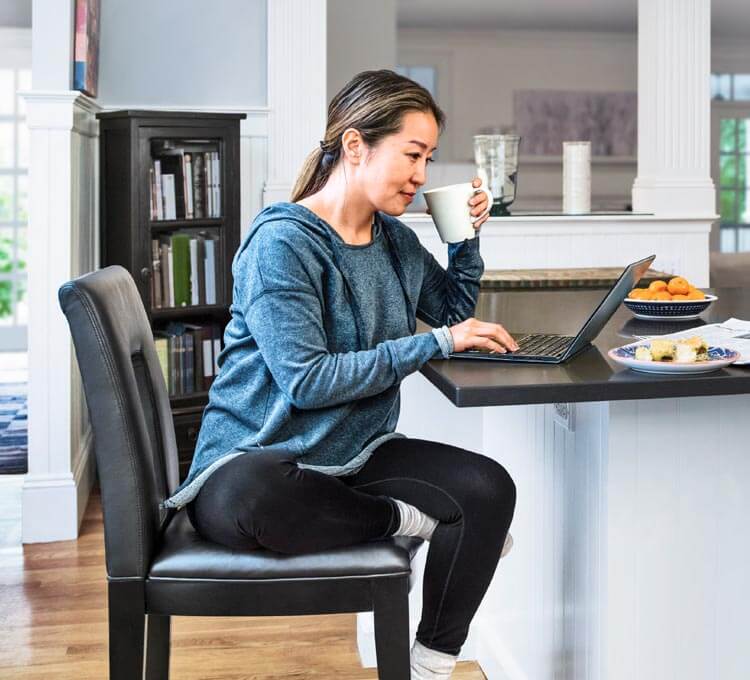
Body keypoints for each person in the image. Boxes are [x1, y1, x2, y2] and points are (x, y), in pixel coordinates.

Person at [163, 69, 517, 680]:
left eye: (429, 158)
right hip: (252, 465)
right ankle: (406, 520)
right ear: (355, 146)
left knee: (490, 491)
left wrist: (464, 238)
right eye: (412, 155)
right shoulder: (283, 242)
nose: (422, 175)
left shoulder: (394, 240)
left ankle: (432, 662)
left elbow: (452, 312)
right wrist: (430, 342)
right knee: (257, 493)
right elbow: (309, 381)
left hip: (355, 458)